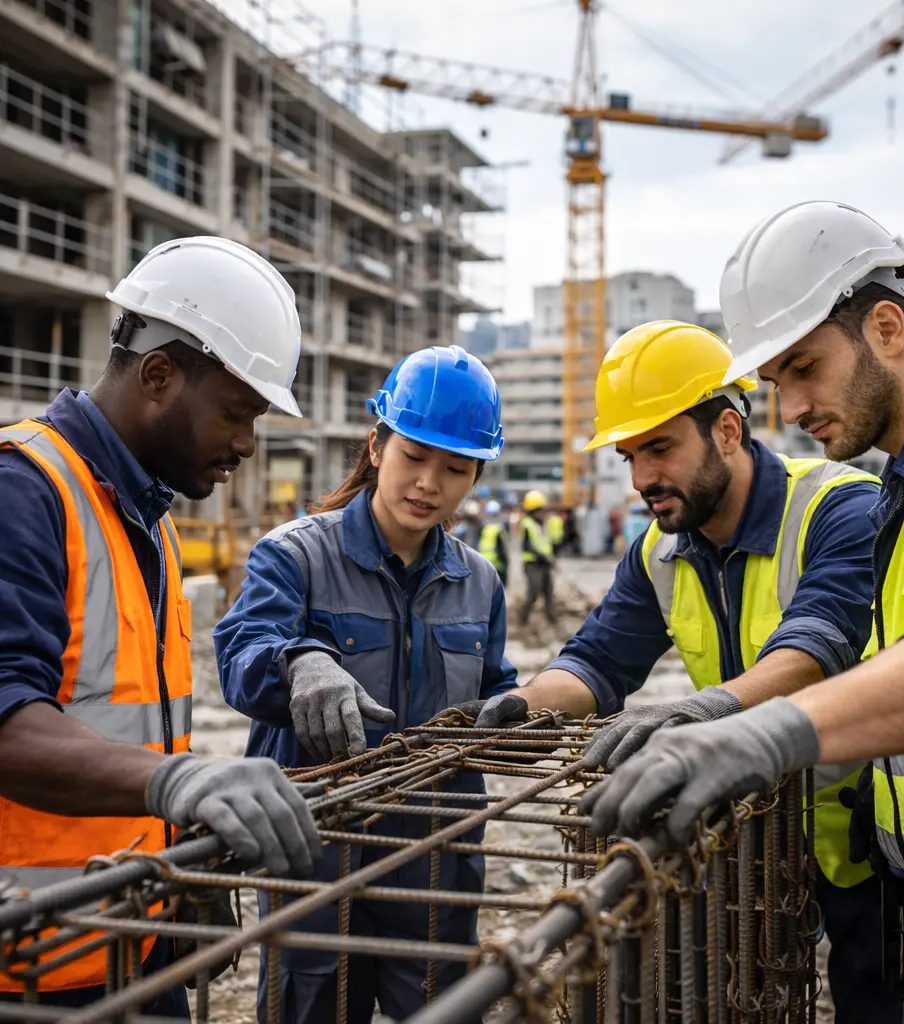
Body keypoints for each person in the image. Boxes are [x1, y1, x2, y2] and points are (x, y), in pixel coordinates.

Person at [583, 201, 904, 1024]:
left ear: (886, 327)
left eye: (804, 368)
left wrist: (757, 731)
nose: (789, 409)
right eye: (777, 382)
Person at [467, 320, 898, 1022]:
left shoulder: (837, 508)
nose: (641, 479)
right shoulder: (658, 551)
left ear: (727, 430)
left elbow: (816, 647)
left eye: (660, 448)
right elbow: (598, 661)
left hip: (868, 840)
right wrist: (529, 704)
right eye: (630, 455)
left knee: (876, 1002)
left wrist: (701, 711)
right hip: (754, 834)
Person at [0, 237, 321, 1014]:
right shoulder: (22, 492)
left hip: (129, 936)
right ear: (157, 376)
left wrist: (180, 873)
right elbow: (7, 722)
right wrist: (178, 781)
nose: (246, 445)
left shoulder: (147, 517)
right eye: (237, 413)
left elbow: (128, 723)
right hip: (30, 967)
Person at [214, 344, 519, 1024]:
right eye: (415, 456)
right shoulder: (295, 555)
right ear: (377, 446)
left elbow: (496, 690)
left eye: (455, 468)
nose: (429, 483)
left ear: (475, 475)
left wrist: (519, 715)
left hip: (437, 855)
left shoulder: (480, 582)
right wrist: (300, 662)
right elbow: (240, 653)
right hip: (318, 854)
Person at [518, 489, 557, 627]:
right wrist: (543, 557)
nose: (544, 512)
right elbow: (527, 546)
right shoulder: (526, 523)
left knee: (549, 592)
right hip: (532, 564)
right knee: (534, 591)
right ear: (534, 510)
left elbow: (546, 543)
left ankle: (552, 620)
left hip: (545, 563)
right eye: (541, 509)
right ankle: (522, 619)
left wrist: (550, 558)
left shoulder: (543, 524)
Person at [478, 498, 511, 585]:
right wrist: (506, 563)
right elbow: (502, 549)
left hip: (483, 563)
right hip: (497, 565)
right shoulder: (499, 529)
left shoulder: (483, 527)